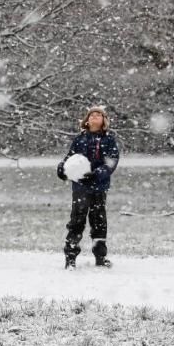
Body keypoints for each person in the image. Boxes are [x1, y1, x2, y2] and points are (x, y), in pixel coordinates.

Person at [56, 106, 119, 269]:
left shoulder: (109, 139)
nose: (95, 117)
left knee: (99, 221)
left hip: (99, 186)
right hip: (80, 186)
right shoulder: (80, 139)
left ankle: (100, 257)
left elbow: (111, 162)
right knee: (77, 220)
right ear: (87, 120)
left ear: (104, 121)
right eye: (92, 115)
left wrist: (97, 174)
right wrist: (62, 168)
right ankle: (70, 258)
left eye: (99, 115)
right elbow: (70, 158)